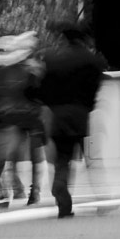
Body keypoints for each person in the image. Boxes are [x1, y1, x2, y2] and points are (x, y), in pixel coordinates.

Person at [36, 23, 109, 218]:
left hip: (58, 118)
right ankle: (103, 200)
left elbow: (42, 89)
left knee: (62, 159)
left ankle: (62, 198)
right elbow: (96, 87)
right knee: (92, 159)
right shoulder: (90, 60)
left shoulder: (52, 59)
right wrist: (88, 106)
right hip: (81, 116)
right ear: (83, 40)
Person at [0, 33, 41, 206]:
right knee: (16, 154)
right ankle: (24, 189)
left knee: (10, 154)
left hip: (16, 115)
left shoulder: (6, 68)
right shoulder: (27, 68)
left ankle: (20, 189)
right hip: (23, 114)